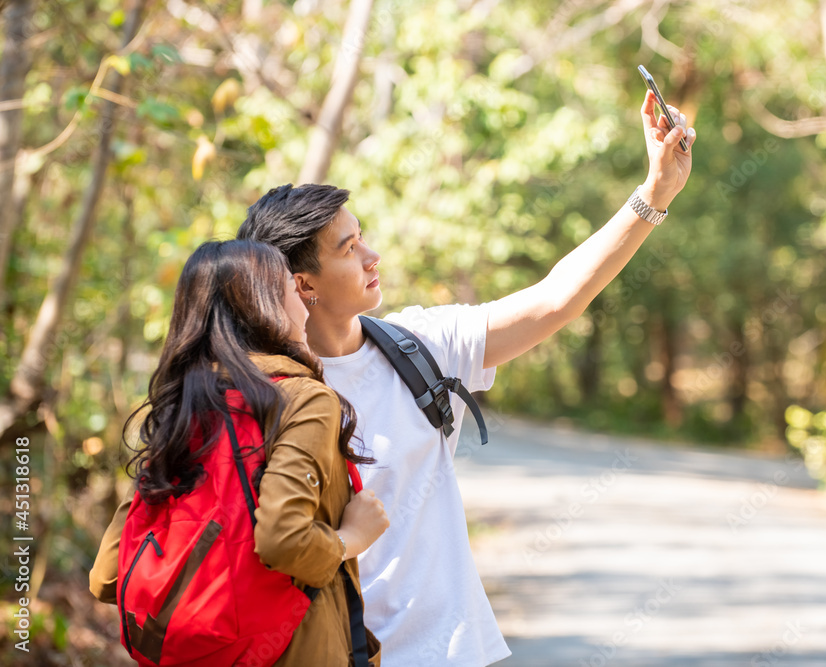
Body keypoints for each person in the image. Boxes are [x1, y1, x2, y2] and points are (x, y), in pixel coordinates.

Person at [236, 91, 696, 666]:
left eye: (364, 237)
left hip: (455, 651)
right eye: (350, 249)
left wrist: (654, 195)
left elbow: (555, 300)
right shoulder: (266, 396)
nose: (373, 256)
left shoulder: (419, 346)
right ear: (304, 283)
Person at [89, 240, 390, 665]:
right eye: (291, 287)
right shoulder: (303, 400)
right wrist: (349, 540)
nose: (304, 302)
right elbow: (283, 540)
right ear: (264, 303)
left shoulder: (183, 406)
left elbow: (108, 574)